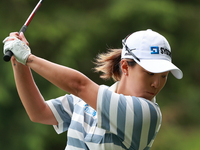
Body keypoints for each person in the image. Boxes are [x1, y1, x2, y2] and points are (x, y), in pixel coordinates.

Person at [3, 29, 183, 150]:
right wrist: (18, 62)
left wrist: (28, 57)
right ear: (125, 67)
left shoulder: (146, 113)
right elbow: (39, 113)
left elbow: (79, 85)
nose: (156, 84)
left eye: (164, 75)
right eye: (150, 73)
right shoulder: (89, 100)